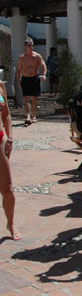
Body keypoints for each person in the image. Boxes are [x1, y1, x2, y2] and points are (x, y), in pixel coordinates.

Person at [0, 81, 20, 240]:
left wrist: (10, 137)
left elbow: (6, 113)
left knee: (7, 189)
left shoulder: (0, 85)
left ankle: (11, 223)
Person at [17, 37, 47, 125]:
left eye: (32, 45)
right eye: (30, 45)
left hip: (35, 78)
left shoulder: (37, 56)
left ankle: (34, 116)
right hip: (25, 78)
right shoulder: (22, 57)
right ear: (25, 46)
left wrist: (44, 75)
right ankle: (27, 116)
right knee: (26, 98)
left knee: (34, 97)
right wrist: (19, 81)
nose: (31, 47)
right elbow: (19, 70)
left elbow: (43, 65)